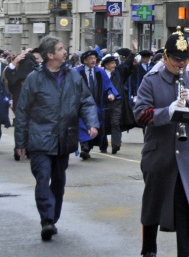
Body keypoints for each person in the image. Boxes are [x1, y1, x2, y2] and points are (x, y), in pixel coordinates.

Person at [13, 36, 99, 241]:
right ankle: (47, 220)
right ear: (50, 55)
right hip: (39, 139)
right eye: (61, 49)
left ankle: (53, 216)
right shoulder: (35, 78)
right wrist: (20, 143)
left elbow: (86, 101)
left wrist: (91, 123)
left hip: (64, 138)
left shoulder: (73, 76)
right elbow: (22, 111)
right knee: (43, 177)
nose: (65, 52)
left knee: (58, 181)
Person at [133, 29, 189, 257]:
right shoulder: (151, 80)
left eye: (184, 59)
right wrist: (168, 111)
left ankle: (185, 256)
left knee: (186, 203)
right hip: (159, 150)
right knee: (154, 201)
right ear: (165, 57)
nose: (181, 63)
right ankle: (149, 249)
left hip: (187, 152)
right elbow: (140, 114)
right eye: (176, 59)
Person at [77, 49, 114, 158]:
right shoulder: (77, 72)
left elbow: (108, 85)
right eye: (90, 59)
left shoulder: (100, 71)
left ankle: (89, 146)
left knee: (94, 125)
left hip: (97, 103)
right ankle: (84, 147)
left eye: (94, 58)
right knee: (82, 124)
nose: (93, 60)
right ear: (85, 60)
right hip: (82, 104)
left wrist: (110, 93)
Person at [100, 54, 125, 154]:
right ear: (106, 65)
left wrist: (133, 52)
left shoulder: (118, 74)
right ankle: (103, 145)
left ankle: (116, 145)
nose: (114, 65)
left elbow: (127, 65)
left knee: (115, 122)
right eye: (112, 63)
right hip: (104, 103)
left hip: (116, 103)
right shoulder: (101, 74)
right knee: (103, 124)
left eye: (115, 63)